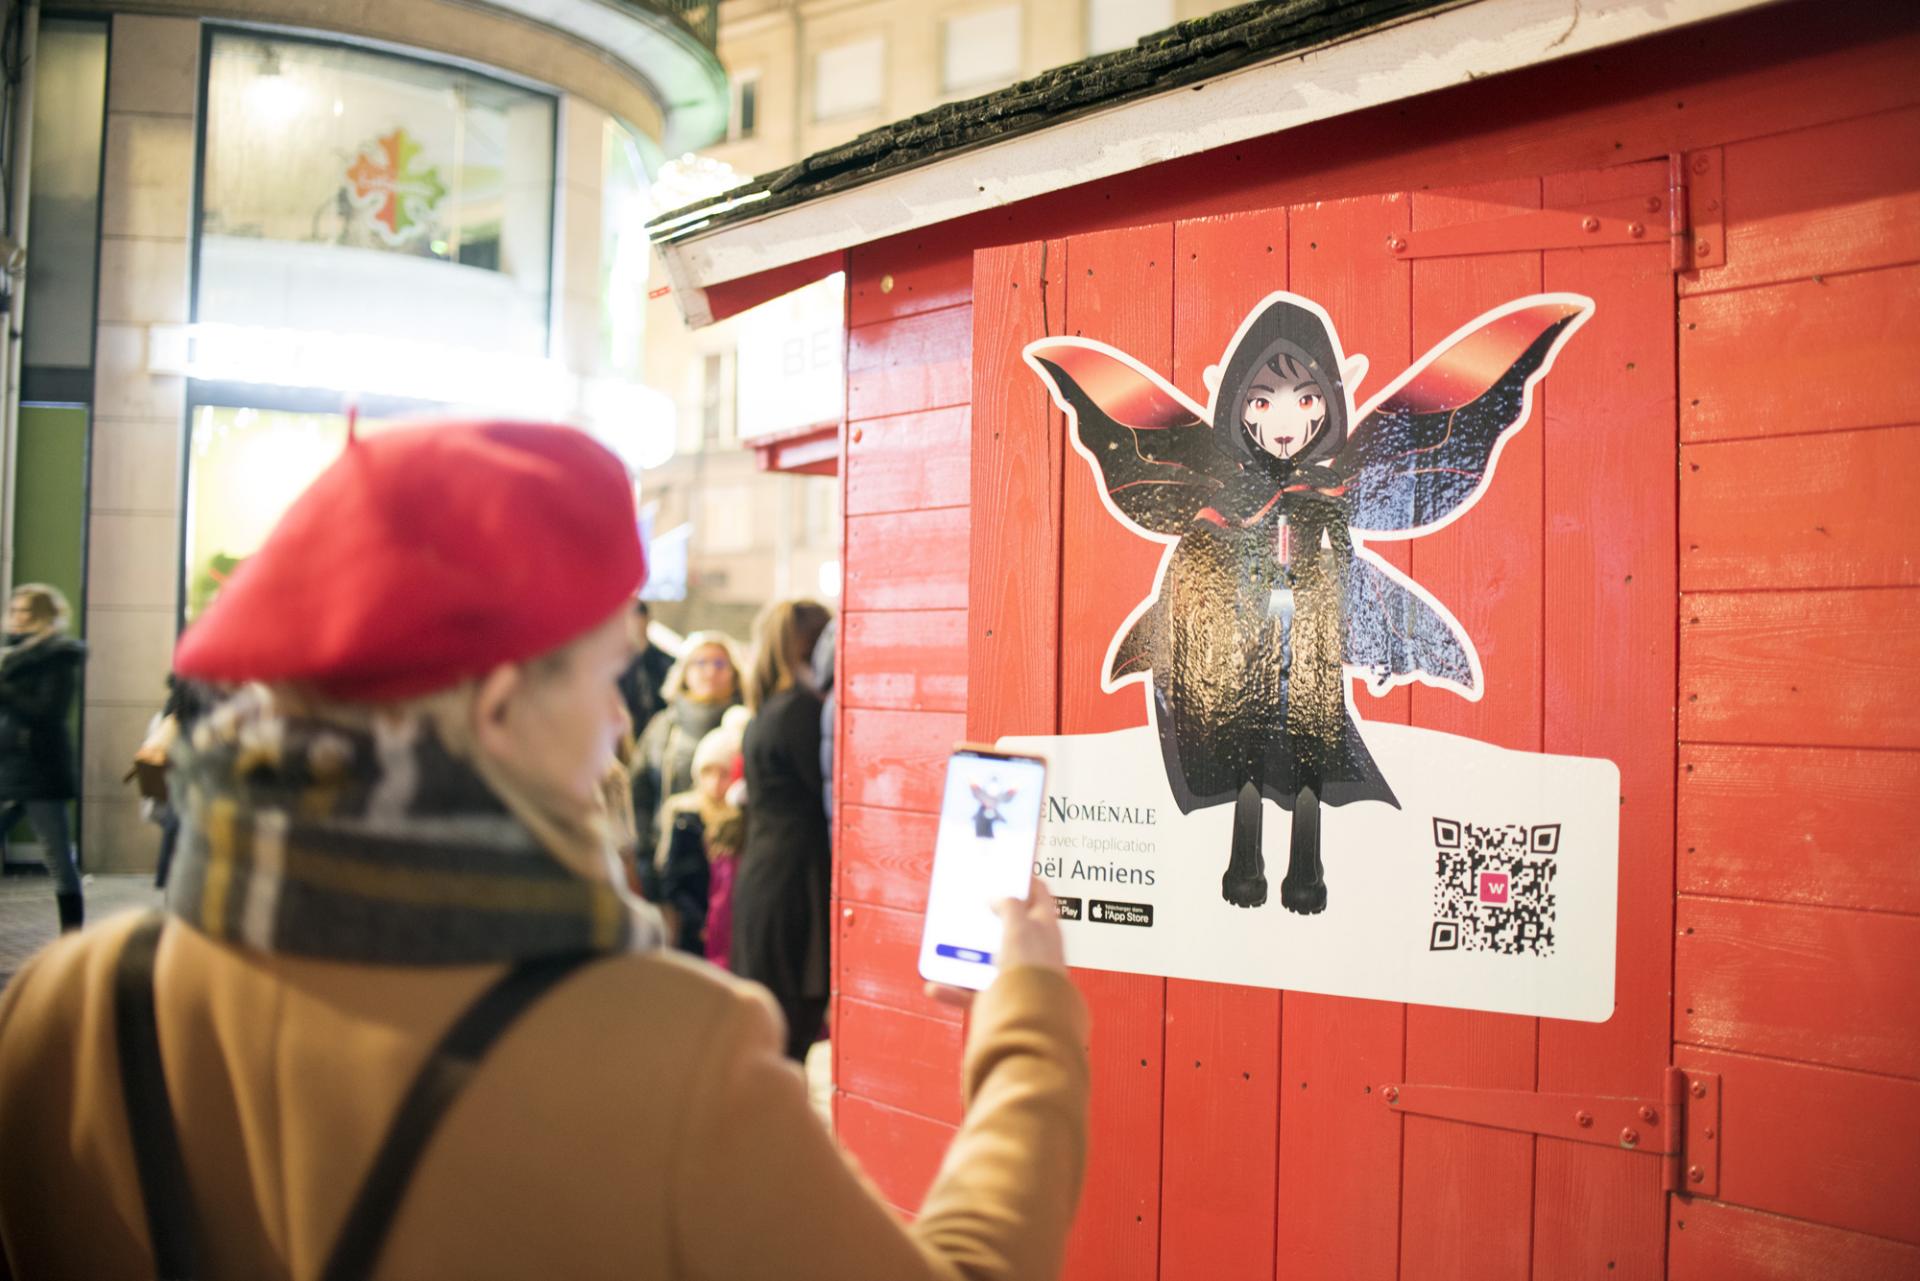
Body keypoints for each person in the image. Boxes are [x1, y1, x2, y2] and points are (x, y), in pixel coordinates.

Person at [0, 418, 1090, 1280]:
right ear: (502, 708)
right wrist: (1028, 1027)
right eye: (609, 673)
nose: (624, 722)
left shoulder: (63, 1006)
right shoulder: (672, 1057)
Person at [732, 598, 834, 1062]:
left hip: (766, 876)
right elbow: (827, 792)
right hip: (794, 881)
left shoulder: (769, 710)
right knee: (790, 1027)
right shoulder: (800, 713)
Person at [0, 584, 88, 933]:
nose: (19, 618)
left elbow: (49, 711)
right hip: (9, 765)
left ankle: (72, 938)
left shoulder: (58, 657)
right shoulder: (11, 656)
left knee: (56, 858)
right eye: (15, 610)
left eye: (27, 612)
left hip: (40, 769)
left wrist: (3, 690)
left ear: (45, 616)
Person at [629, 630, 742, 882]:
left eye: (720, 663)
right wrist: (645, 852)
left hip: (731, 858)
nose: (710, 671)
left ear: (734, 673)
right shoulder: (663, 727)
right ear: (684, 673)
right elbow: (640, 791)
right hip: (670, 860)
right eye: (700, 663)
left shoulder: (746, 724)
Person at [652, 712, 747, 960]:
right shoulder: (685, 815)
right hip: (694, 931)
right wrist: (696, 921)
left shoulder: (740, 821)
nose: (715, 783)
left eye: (723, 774)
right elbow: (671, 879)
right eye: (708, 773)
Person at [616, 597, 674, 732]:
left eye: (635, 616)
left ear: (646, 618)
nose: (631, 623)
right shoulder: (612, 666)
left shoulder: (667, 663)